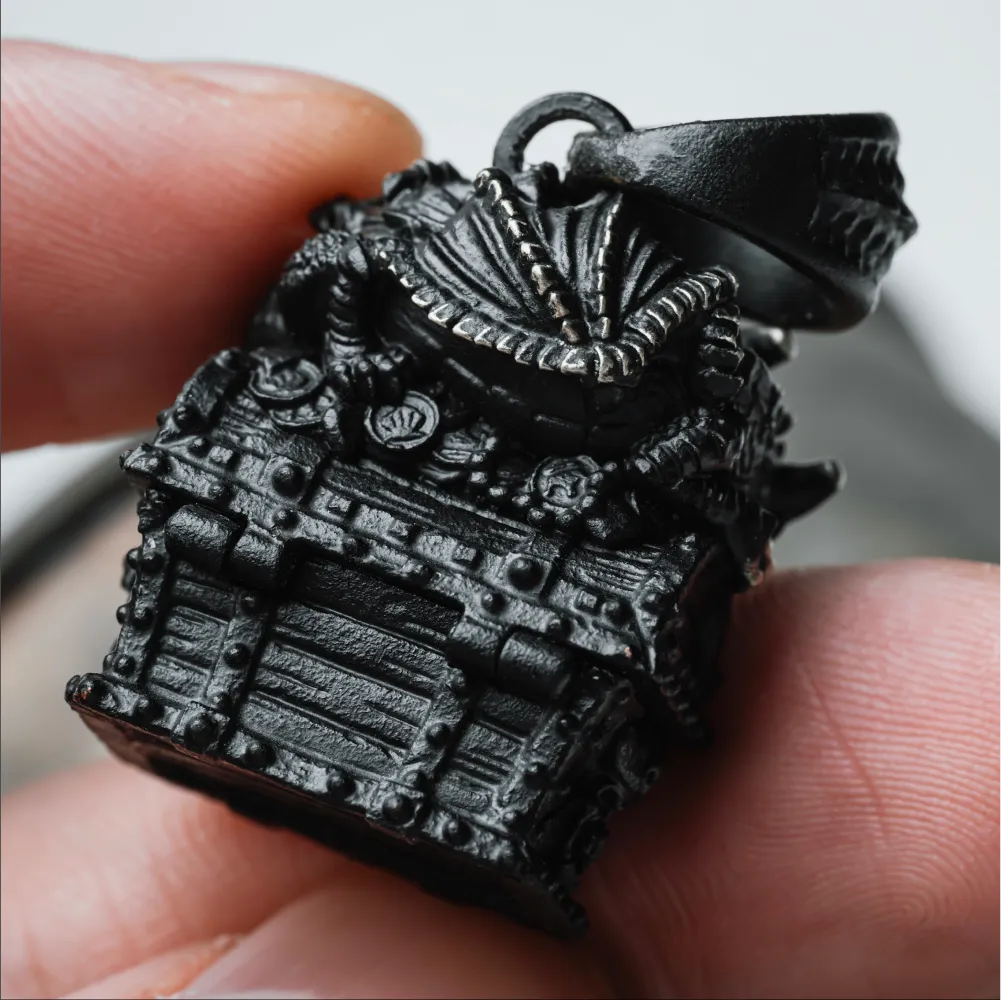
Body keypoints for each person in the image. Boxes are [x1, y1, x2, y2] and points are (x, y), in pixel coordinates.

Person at [1, 41, 998, 1000]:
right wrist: (356, 362)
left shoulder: (687, 347)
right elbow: (331, 273)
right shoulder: (427, 237)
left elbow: (705, 450)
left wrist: (630, 478)